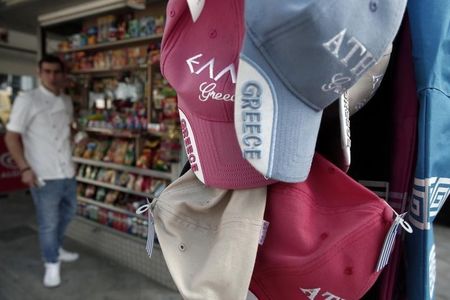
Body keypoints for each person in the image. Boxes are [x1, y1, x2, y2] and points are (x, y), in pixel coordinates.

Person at [4, 55, 79, 288]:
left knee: (68, 213)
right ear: (39, 73)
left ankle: (55, 248)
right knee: (48, 222)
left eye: (56, 72)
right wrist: (24, 168)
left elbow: (68, 129)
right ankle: (51, 264)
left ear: (62, 74)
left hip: (67, 170)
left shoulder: (66, 100)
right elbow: (11, 136)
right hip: (43, 173)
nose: (52, 76)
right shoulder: (28, 99)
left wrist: (79, 138)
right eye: (47, 71)